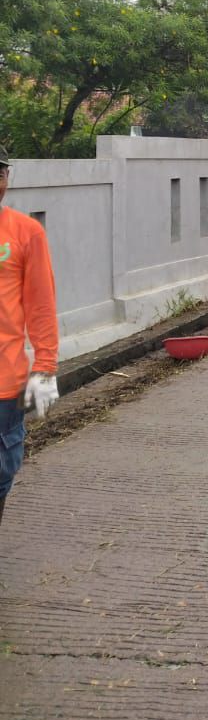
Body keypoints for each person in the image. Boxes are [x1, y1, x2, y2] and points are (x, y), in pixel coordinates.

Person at [0, 146, 60, 528]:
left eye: (0, 175)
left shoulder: (25, 232)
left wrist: (45, 367)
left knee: (2, 475)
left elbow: (40, 305)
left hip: (4, 385)